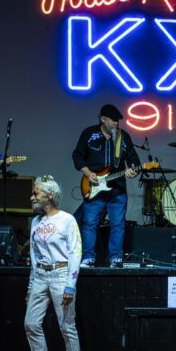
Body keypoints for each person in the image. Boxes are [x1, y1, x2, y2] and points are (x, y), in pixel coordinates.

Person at [23, 175, 83, 351]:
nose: (32, 197)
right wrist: (31, 287)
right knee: (30, 323)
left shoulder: (67, 220)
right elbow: (34, 256)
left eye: (35, 193)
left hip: (60, 275)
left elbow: (76, 253)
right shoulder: (36, 222)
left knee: (66, 326)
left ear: (49, 195)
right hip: (40, 276)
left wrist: (70, 284)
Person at [73, 104, 140, 268]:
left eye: (118, 121)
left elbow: (134, 161)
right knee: (90, 224)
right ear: (103, 119)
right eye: (113, 121)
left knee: (118, 224)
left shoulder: (123, 138)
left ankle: (115, 258)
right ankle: (88, 257)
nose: (117, 124)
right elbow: (77, 156)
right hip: (93, 186)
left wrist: (133, 171)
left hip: (117, 189)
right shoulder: (89, 134)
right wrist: (89, 174)